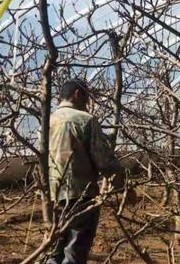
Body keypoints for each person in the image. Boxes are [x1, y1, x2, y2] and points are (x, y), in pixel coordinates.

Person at [45, 79, 133, 264]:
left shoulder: (47, 121)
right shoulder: (85, 120)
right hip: (79, 195)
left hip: (52, 195)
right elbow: (104, 160)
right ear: (78, 94)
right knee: (74, 253)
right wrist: (123, 186)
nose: (87, 102)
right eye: (86, 96)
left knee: (54, 251)